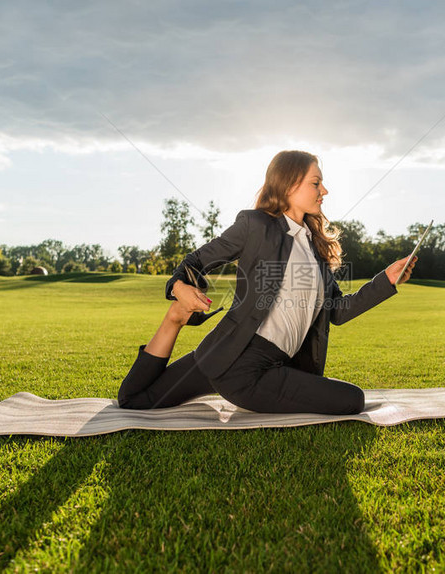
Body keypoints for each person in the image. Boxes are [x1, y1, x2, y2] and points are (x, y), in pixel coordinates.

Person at [117, 150, 417, 415]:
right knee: (352, 399)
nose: (324, 190)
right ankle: (173, 321)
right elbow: (194, 262)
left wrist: (386, 280)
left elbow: (337, 310)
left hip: (256, 362)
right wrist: (179, 288)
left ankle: (173, 323)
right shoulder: (255, 225)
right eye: (316, 183)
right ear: (289, 184)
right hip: (237, 362)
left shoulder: (314, 248)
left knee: (136, 401)